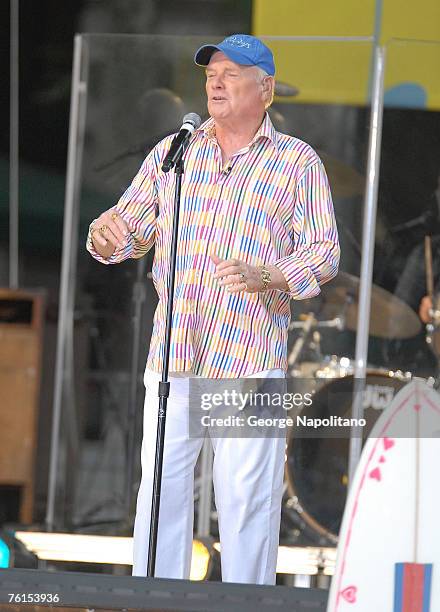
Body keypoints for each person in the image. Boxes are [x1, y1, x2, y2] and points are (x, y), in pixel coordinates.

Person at [86, 34, 339, 584]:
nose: (215, 82)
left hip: (246, 360)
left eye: (231, 72)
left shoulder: (296, 163)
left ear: (265, 89)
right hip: (175, 353)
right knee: (160, 493)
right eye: (210, 74)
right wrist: (105, 237)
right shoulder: (175, 154)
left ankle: (247, 602)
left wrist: (269, 274)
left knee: (246, 503)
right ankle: (153, 599)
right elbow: (127, 228)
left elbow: (323, 254)